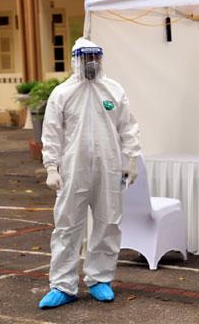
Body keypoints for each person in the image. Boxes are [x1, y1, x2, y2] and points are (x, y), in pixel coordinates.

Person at [38, 38, 141, 309]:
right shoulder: (62, 93)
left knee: (108, 223)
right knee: (67, 226)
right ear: (75, 60)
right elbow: (51, 132)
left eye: (95, 57)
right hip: (73, 170)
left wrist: (131, 159)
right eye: (86, 58)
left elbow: (128, 127)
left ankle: (100, 279)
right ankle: (62, 285)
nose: (91, 63)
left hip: (109, 168)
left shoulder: (113, 90)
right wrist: (51, 167)